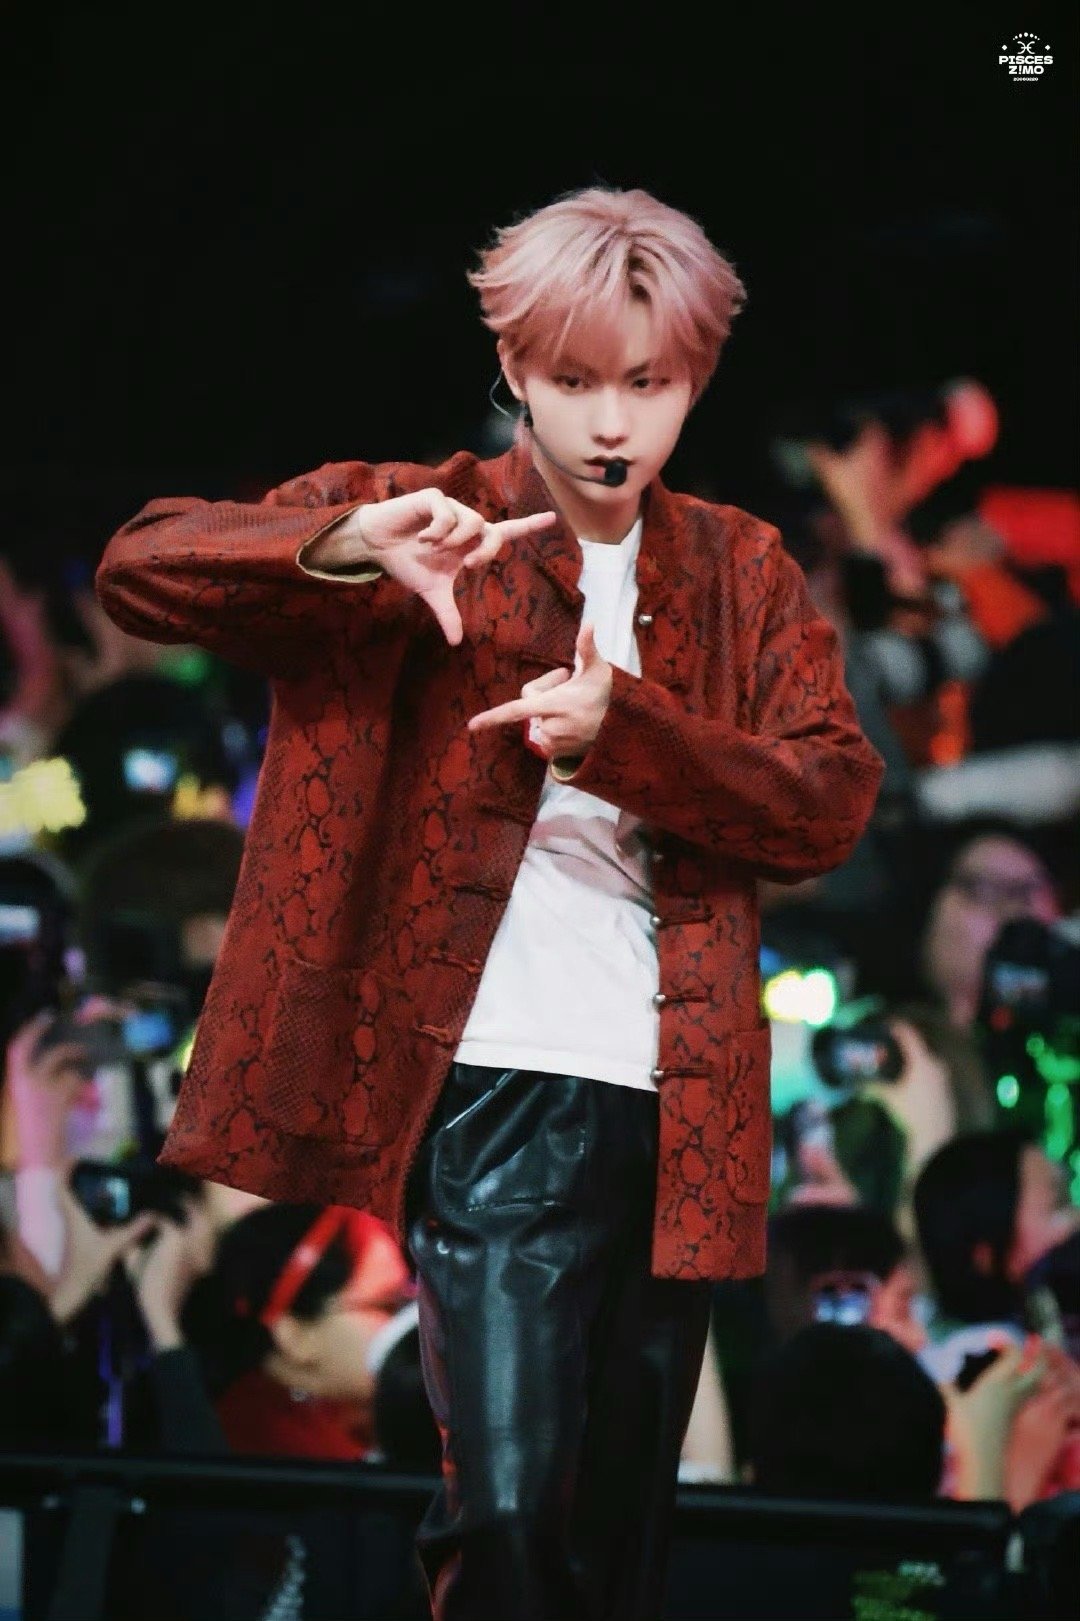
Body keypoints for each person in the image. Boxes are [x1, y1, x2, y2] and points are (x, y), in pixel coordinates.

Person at [94, 184, 884, 1619]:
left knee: (615, 1551)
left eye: (649, 384)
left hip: (686, 1106)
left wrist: (627, 735)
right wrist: (350, 543)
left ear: (696, 380)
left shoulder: (743, 571)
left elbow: (830, 798)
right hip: (492, 1086)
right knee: (509, 1517)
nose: (610, 422)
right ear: (515, 366)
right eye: (574, 380)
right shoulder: (427, 507)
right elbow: (141, 566)